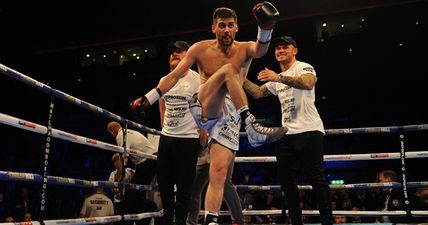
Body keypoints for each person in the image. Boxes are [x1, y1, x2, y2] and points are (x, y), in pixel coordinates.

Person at [130, 3, 287, 224]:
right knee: (229, 70)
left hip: (230, 114)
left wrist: (266, 27)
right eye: (221, 25)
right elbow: (174, 76)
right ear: (213, 28)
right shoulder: (200, 48)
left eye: (230, 25)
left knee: (219, 173)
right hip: (204, 105)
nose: (226, 30)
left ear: (236, 28)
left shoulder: (244, 48)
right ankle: (251, 125)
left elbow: (261, 50)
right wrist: (150, 97)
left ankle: (211, 220)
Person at [243, 35, 333, 225]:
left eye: (285, 47)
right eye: (277, 48)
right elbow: (258, 93)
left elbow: (308, 83)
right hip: (286, 134)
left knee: (317, 180)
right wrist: (236, 76)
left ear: (295, 50)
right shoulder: (277, 78)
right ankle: (296, 222)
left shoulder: (303, 66)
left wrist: (279, 77)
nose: (280, 50)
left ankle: (327, 222)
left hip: (310, 131)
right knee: (286, 182)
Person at [156, 40, 202, 225]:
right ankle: (168, 220)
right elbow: (162, 109)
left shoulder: (197, 79)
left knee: (184, 188)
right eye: (172, 52)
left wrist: (201, 139)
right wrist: (165, 131)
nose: (175, 54)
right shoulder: (164, 81)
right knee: (164, 184)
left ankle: (180, 222)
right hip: (167, 138)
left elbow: (204, 110)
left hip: (189, 139)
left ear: (188, 56)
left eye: (180, 52)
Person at [107, 121, 158, 225]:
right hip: (151, 160)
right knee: (138, 194)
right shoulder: (131, 131)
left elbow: (122, 161)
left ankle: (128, 221)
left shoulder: (121, 136)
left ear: (112, 132)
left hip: (147, 162)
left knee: (131, 195)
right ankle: (143, 217)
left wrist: (118, 179)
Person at [186, 146, 244, 225]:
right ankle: (190, 222)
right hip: (205, 149)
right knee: (194, 185)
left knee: (225, 184)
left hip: (225, 144)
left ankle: (238, 221)